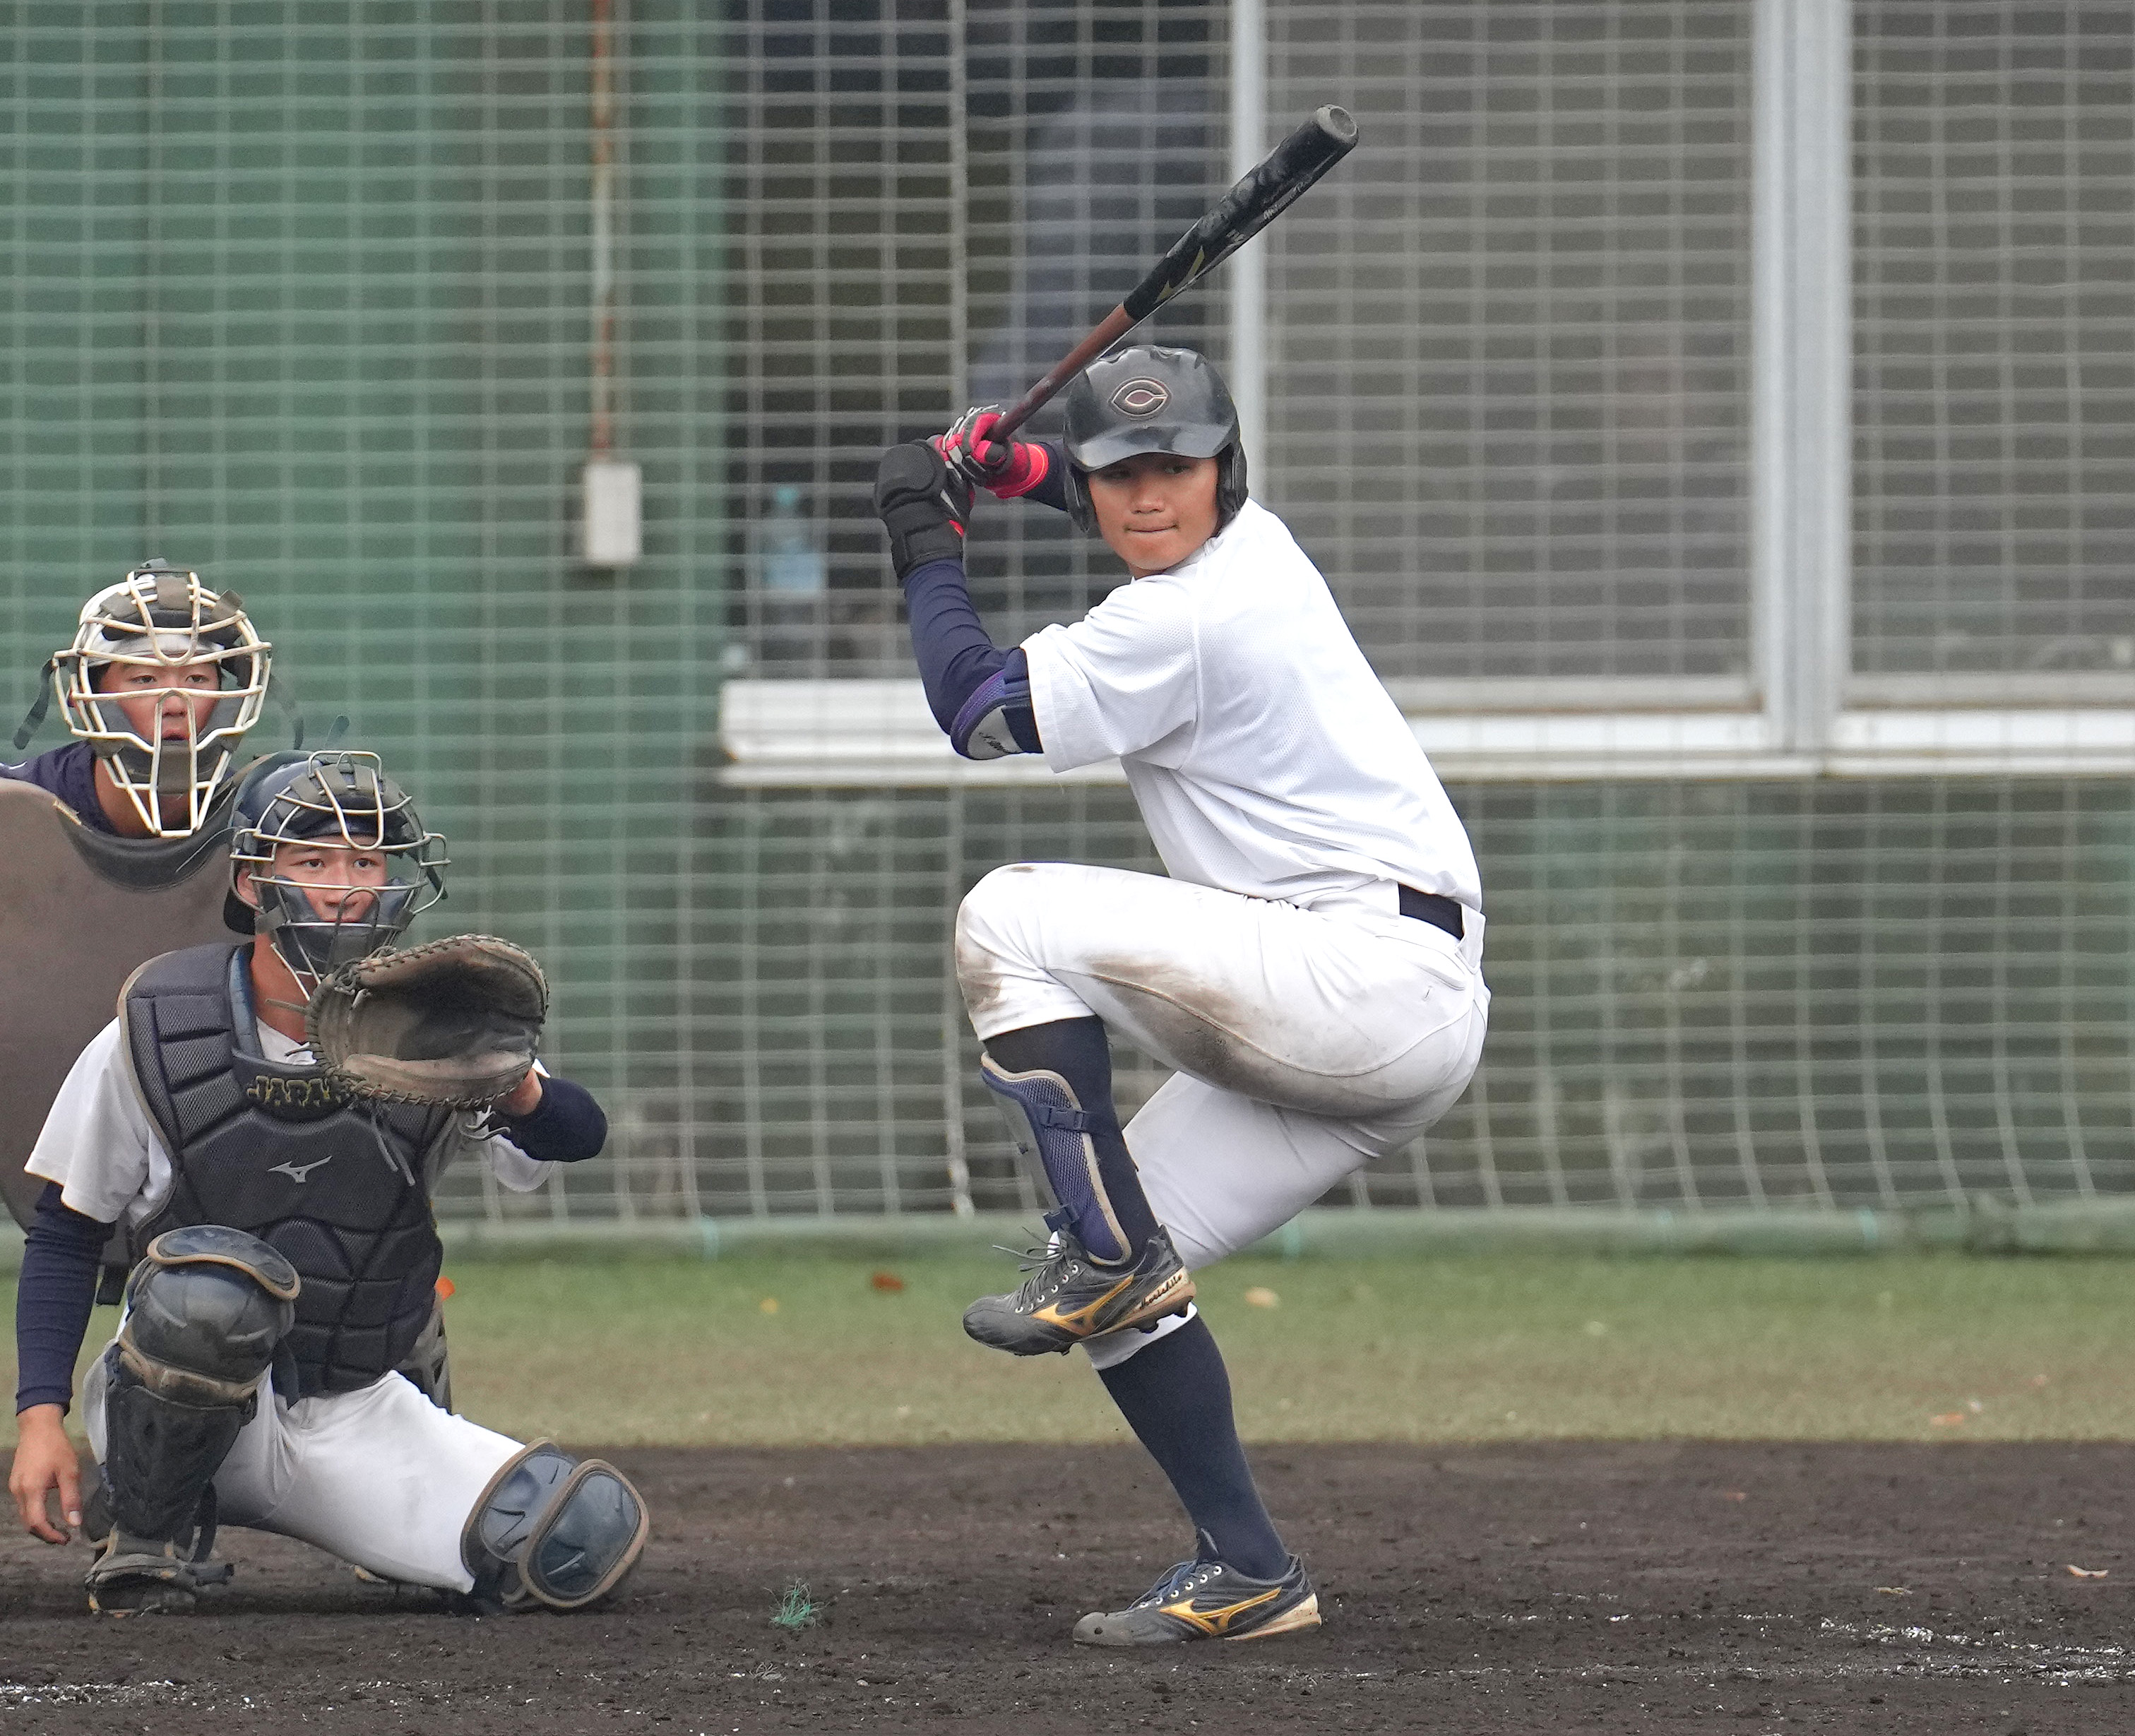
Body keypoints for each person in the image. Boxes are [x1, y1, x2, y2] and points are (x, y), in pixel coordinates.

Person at [872, 345, 1489, 1646]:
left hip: (1356, 976)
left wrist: (923, 534)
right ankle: (1248, 1569)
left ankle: (1108, 1252)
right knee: (1118, 1280)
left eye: (1178, 466)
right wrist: (1018, 464)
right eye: (1119, 472)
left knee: (1010, 913)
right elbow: (1119, 502)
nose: (1150, 494)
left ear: (1224, 472)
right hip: (1385, 997)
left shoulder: (1186, 617)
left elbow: (977, 710)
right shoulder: (1249, 548)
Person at [6, 750, 647, 1616]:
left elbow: (577, 1137)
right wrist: (40, 1415)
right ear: (251, 881)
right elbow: (66, 1231)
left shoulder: (432, 1024)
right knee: (212, 1293)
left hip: (352, 1402)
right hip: (179, 1401)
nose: (346, 885)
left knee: (577, 1540)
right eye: (312, 861)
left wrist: (514, 1079)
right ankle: (151, 1530)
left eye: (367, 860)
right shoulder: (158, 1025)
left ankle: (369, 1512)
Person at [4, 559, 271, 838]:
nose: (176, 706)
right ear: (84, 699)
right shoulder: (13, 807)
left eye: (196, 679)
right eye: (145, 680)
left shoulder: (261, 820)